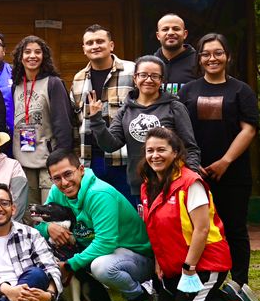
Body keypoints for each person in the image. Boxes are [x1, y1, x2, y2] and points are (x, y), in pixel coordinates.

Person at [137, 128, 243, 301]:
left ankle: (236, 299)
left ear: (175, 152)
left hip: (204, 264)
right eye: (150, 151)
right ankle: (204, 299)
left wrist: (189, 268)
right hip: (176, 266)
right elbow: (155, 228)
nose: (155, 156)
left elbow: (202, 230)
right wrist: (159, 261)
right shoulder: (147, 185)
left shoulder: (191, 183)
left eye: (161, 150)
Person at [180, 33, 258, 292]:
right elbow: (180, 130)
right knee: (200, 229)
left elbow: (248, 130)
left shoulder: (241, 90)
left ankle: (239, 286)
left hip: (233, 173)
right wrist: (192, 165)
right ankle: (204, 285)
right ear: (199, 58)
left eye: (218, 53)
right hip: (195, 174)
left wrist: (225, 161)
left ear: (228, 56)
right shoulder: (187, 91)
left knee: (235, 229)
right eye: (206, 54)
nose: (212, 58)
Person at [37, 151, 154, 301]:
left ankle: (138, 296)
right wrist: (48, 228)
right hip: (101, 253)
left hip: (137, 257)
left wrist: (70, 265)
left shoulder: (99, 194)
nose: (64, 183)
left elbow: (105, 243)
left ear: (81, 170)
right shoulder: (57, 191)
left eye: (68, 174)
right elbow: (37, 225)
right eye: (57, 178)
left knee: (101, 267)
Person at [85, 55, 201, 198]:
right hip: (138, 186)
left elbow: (190, 147)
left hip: (172, 185)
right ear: (135, 78)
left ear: (161, 80)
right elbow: (110, 145)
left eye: (154, 76)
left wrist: (192, 178)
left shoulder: (174, 107)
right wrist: (96, 120)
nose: (148, 80)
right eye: (143, 75)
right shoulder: (126, 110)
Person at [67, 25, 135, 198]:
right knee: (99, 213)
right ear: (84, 49)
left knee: (130, 213)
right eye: (89, 43)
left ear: (111, 45)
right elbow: (76, 122)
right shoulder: (78, 79)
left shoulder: (132, 71)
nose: (95, 46)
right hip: (92, 161)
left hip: (125, 160)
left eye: (100, 41)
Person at [9, 34, 73, 201]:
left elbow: (63, 124)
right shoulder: (15, 85)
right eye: (27, 52)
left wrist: (61, 156)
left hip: (48, 158)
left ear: (44, 56)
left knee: (49, 208)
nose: (32, 56)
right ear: (20, 57)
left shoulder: (53, 83)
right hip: (22, 157)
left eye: (37, 52)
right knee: (29, 212)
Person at [152, 13, 198, 95]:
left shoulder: (199, 61)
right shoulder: (150, 63)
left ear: (185, 34)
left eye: (176, 29)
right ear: (158, 35)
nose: (170, 33)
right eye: (165, 29)